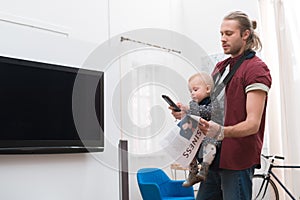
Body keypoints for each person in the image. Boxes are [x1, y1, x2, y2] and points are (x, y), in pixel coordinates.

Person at [171, 11, 272, 200]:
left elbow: (253, 123)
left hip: (237, 160)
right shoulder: (220, 67)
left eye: (229, 33)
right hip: (214, 159)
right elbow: (213, 108)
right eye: (221, 34)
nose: (223, 39)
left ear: (245, 35)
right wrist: (187, 111)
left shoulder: (256, 69)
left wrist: (222, 131)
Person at [170, 72, 218, 187]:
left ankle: (204, 169)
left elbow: (207, 111)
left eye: (195, 90)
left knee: (209, 148)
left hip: (209, 137)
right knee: (186, 147)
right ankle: (193, 171)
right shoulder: (193, 104)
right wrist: (182, 112)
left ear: (207, 89)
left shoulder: (214, 102)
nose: (192, 93)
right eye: (190, 91)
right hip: (196, 137)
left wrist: (188, 109)